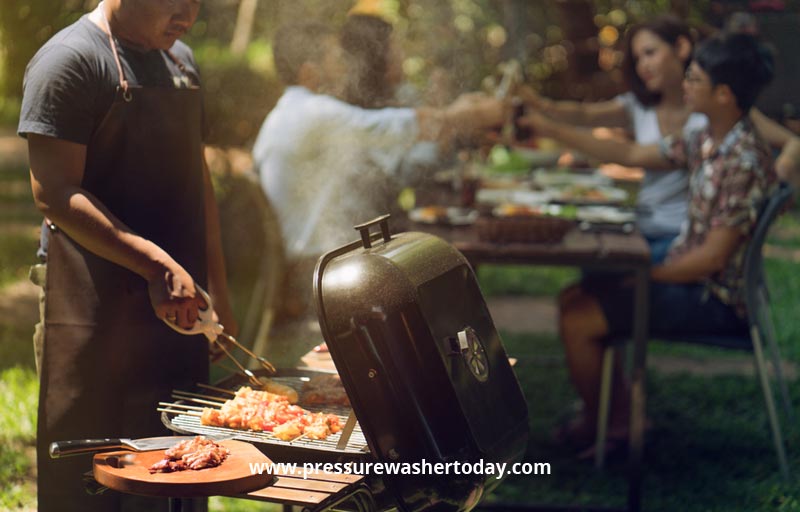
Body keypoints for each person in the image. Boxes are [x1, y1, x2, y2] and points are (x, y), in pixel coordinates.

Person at [18, 1, 236, 510]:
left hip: (178, 303)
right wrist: (156, 264)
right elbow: (54, 191)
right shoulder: (70, 61)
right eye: (173, 0)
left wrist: (218, 288)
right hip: (91, 314)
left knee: (178, 469)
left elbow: (198, 180)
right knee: (92, 474)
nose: (188, 14)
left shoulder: (180, 61)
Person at [524, 32, 779, 456]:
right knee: (576, 297)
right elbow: (635, 155)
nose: (686, 86)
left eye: (695, 80)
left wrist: (645, 276)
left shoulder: (743, 160)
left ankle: (614, 426)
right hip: (693, 278)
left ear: (724, 94)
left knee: (578, 317)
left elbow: (712, 258)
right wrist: (552, 130)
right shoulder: (709, 140)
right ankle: (611, 415)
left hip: (715, 300)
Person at [252, 22, 504, 358]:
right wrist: (470, 115)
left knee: (435, 264)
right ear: (310, 72)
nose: (345, 66)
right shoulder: (315, 114)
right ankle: (457, 373)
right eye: (335, 59)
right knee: (443, 274)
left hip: (316, 263)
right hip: (321, 270)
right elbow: (398, 127)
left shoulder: (291, 112)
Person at [520, 15, 798, 263]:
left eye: (650, 53)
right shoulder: (696, 136)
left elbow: (713, 256)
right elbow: (626, 151)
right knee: (593, 270)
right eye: (638, 58)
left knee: (602, 276)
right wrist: (542, 111)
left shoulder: (730, 130)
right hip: (658, 231)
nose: (643, 66)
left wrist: (776, 182)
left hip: (684, 243)